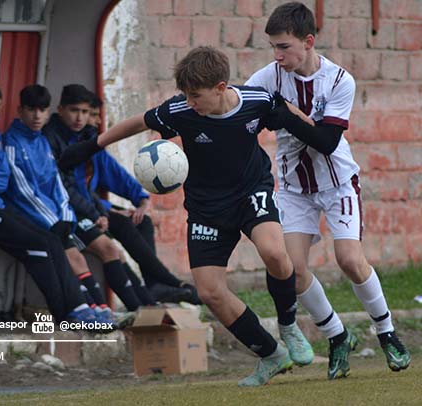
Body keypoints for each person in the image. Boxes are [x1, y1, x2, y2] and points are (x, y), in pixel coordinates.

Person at [58, 47, 315, 386]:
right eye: (186, 95)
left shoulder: (256, 101)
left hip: (251, 190)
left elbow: (291, 114)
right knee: (210, 292)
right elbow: (138, 121)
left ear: (221, 87)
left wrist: (319, 133)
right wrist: (91, 146)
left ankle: (288, 325)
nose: (190, 102)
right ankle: (271, 355)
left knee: (275, 254)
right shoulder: (180, 110)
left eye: (196, 95)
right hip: (207, 206)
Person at [245, 1, 410, 378]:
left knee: (350, 260)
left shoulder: (339, 81)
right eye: (273, 47)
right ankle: (337, 336)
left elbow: (328, 141)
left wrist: (284, 115)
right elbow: (240, 106)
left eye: (284, 47)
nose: (277, 55)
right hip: (292, 187)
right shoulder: (267, 78)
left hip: (337, 183)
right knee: (293, 268)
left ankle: (386, 333)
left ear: (308, 41)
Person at [0, 82, 110, 329]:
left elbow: (3, 180)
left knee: (48, 243)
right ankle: (69, 311)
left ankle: (76, 308)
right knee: (41, 243)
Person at [2, 84, 115, 322]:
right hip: (31, 216)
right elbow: (24, 191)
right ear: (20, 110)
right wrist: (54, 220)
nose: (37, 116)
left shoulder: (42, 141)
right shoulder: (12, 142)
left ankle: (99, 308)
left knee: (77, 256)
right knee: (64, 253)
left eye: (42, 110)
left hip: (54, 216)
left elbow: (57, 184)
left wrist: (66, 216)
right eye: (31, 110)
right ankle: (81, 308)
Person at [43, 84, 148, 312]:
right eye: (75, 111)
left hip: (83, 209)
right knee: (108, 248)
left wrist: (135, 199)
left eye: (86, 113)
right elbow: (65, 187)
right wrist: (99, 212)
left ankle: (145, 302)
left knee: (126, 239)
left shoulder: (88, 140)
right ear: (60, 110)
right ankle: (113, 309)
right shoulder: (52, 139)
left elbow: (105, 178)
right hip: (61, 212)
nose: (81, 118)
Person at [87, 95, 201, 304]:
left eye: (94, 115)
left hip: (95, 209)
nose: (94, 121)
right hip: (78, 213)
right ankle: (171, 282)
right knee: (122, 225)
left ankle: (154, 285)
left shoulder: (94, 150)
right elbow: (71, 191)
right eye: (87, 114)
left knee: (142, 221)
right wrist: (108, 209)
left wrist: (142, 200)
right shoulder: (68, 147)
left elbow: (120, 178)